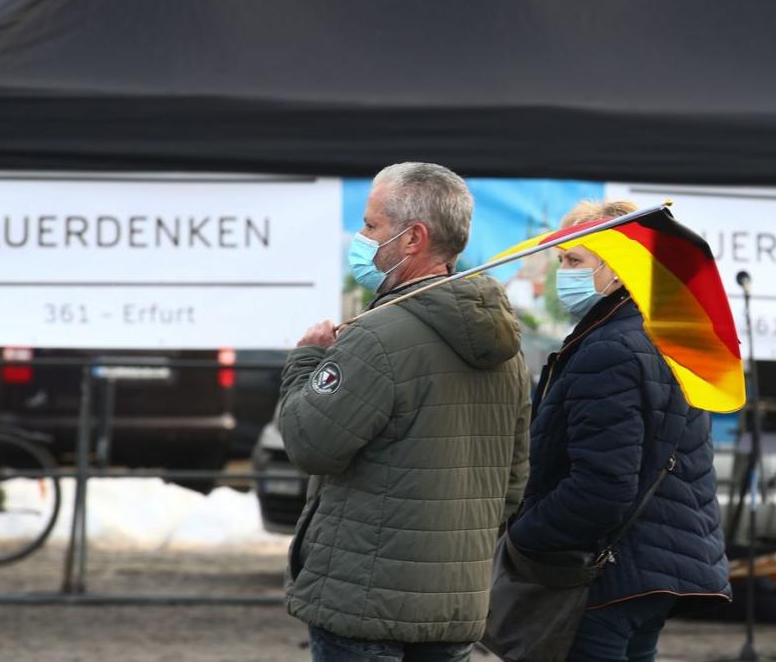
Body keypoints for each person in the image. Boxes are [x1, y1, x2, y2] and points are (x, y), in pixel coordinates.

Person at [277, 162, 531, 662]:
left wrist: (307, 359)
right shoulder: (509, 349)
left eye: (371, 225)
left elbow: (309, 444)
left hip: (365, 604)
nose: (361, 236)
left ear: (413, 238)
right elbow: (515, 482)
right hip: (455, 605)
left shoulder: (379, 337)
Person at [506, 200, 731, 662]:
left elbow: (601, 486)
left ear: (618, 266)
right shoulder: (664, 335)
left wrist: (522, 538)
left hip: (609, 573)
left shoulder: (609, 348)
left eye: (575, 260)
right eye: (561, 259)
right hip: (653, 568)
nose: (561, 273)